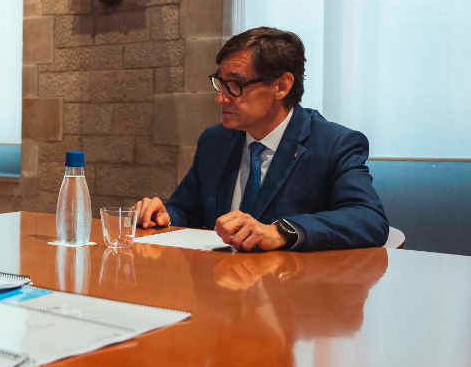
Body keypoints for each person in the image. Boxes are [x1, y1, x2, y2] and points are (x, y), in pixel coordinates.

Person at [134, 27, 388, 251]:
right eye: (220, 84)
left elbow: (368, 219)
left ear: (282, 86)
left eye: (235, 85)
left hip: (293, 293)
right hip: (221, 286)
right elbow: (186, 210)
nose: (221, 98)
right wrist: (164, 215)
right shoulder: (216, 141)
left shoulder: (333, 144)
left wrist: (281, 232)